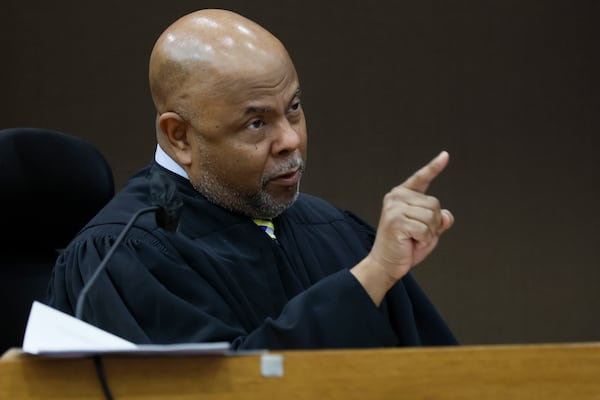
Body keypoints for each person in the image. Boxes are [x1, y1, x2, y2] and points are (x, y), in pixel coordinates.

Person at [46, 8, 457, 350]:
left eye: (293, 108)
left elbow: (442, 377)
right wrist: (372, 275)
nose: (290, 139)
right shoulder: (125, 256)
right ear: (179, 136)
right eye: (256, 123)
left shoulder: (337, 232)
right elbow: (229, 387)